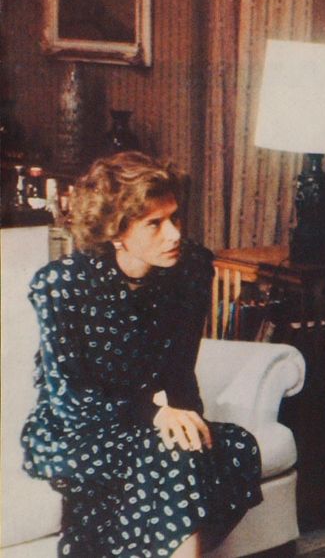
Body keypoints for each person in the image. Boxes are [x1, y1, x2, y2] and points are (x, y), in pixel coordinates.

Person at [20, 152, 263, 557]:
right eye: (155, 223)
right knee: (172, 459)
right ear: (116, 231)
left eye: (175, 217)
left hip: (137, 424)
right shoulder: (61, 286)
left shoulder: (191, 269)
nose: (174, 234)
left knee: (235, 447)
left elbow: (180, 371)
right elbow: (70, 401)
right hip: (73, 432)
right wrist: (156, 416)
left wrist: (189, 423)